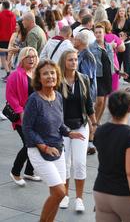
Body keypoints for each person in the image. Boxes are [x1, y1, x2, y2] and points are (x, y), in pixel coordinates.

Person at [22, 60, 84, 222]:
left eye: (52, 72)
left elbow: (59, 123)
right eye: (45, 73)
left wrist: (70, 133)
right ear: (39, 79)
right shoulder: (34, 100)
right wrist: (44, 147)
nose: (50, 76)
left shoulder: (57, 97)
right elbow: (27, 129)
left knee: (56, 194)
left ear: (57, 75)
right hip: (39, 151)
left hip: (58, 149)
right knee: (60, 193)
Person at [93, 90, 130, 222]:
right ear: (129, 109)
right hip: (125, 195)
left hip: (102, 192)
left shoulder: (100, 131)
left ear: (109, 108)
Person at [57, 49, 97, 212]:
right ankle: (65, 195)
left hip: (81, 126)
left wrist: (94, 124)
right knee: (64, 165)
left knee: (80, 163)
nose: (74, 62)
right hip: (62, 129)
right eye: (70, 60)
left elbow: (88, 104)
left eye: (75, 59)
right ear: (64, 62)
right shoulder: (57, 81)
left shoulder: (83, 79)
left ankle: (79, 199)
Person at [6, 47, 40, 186]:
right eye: (28, 57)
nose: (31, 59)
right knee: (29, 144)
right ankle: (15, 172)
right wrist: (20, 112)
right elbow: (10, 96)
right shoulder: (16, 75)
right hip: (22, 118)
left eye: (33, 56)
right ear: (22, 59)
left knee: (35, 144)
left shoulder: (37, 73)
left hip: (37, 116)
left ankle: (29, 172)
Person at [112, 7, 130, 83]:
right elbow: (113, 32)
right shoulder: (115, 21)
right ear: (118, 12)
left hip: (126, 43)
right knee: (117, 60)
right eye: (120, 11)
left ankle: (127, 78)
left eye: (123, 11)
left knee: (127, 61)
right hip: (117, 44)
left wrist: (125, 34)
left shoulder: (128, 21)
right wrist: (118, 36)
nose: (121, 12)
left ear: (125, 13)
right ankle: (117, 76)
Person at [0, 1, 16, 81]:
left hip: (2, 38)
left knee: (3, 57)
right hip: (11, 37)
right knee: (9, 56)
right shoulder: (13, 15)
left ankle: (8, 73)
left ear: (3, 6)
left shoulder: (0, 15)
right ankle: (9, 73)